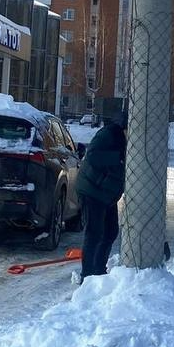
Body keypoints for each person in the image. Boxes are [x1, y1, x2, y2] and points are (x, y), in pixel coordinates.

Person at [74, 119, 126, 281]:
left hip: (106, 194)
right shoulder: (109, 134)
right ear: (125, 127)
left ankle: (98, 270)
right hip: (92, 189)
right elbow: (93, 155)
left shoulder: (128, 142)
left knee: (110, 231)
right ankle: (87, 275)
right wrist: (119, 157)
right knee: (94, 232)